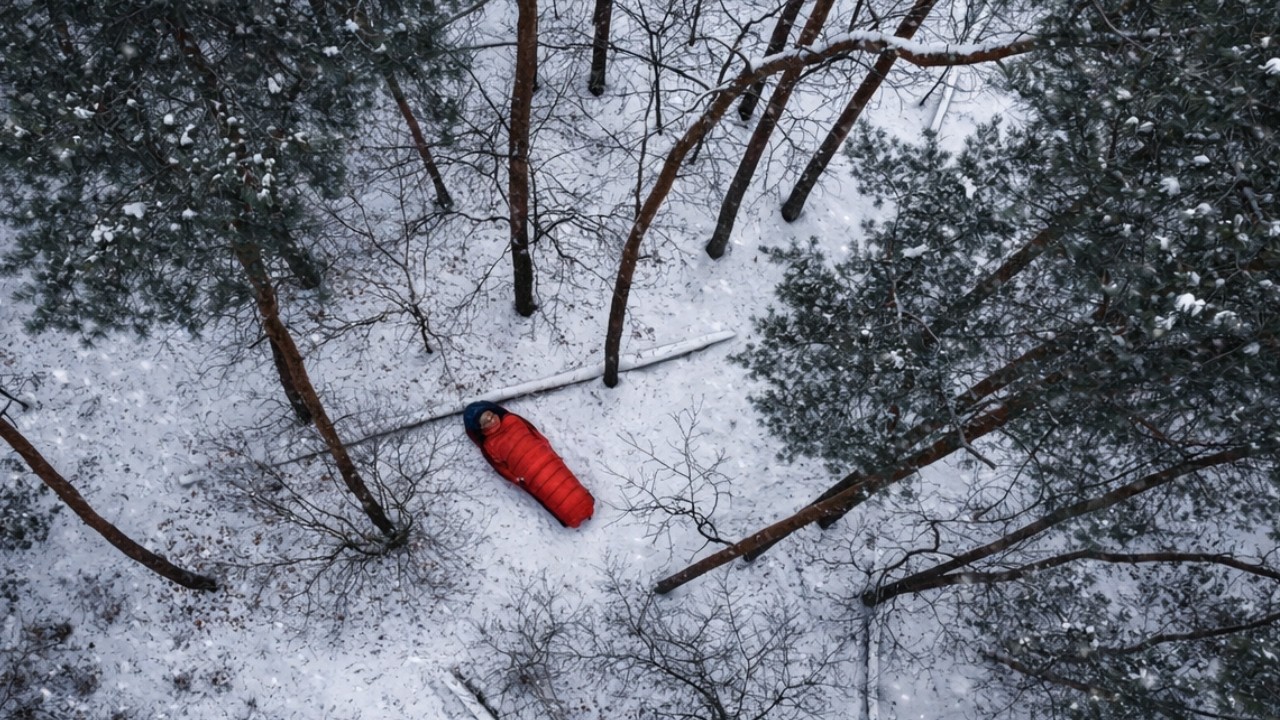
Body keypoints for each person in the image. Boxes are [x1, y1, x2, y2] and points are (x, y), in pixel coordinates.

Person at [463, 401, 594, 528]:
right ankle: (571, 517)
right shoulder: (489, 445)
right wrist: (516, 479)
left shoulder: (511, 420)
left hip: (546, 459)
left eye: (491, 415)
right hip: (531, 475)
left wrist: (546, 447)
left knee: (566, 482)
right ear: (480, 428)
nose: (492, 420)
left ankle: (586, 503)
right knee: (553, 496)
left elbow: (535, 433)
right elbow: (501, 468)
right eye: (486, 421)